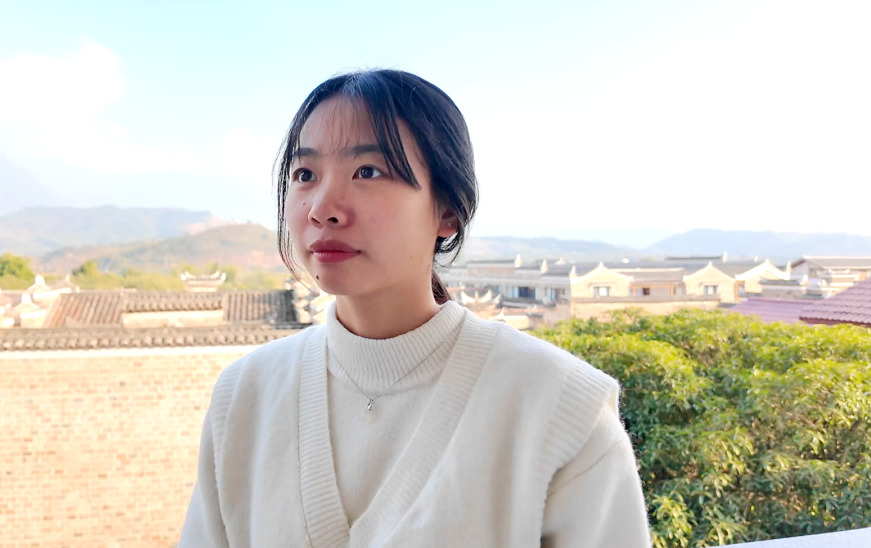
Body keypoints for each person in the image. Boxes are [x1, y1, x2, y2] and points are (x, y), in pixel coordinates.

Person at [178, 69, 651, 547]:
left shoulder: (560, 408)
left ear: (448, 210)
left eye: (368, 171)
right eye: (305, 175)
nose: (322, 208)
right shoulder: (245, 396)